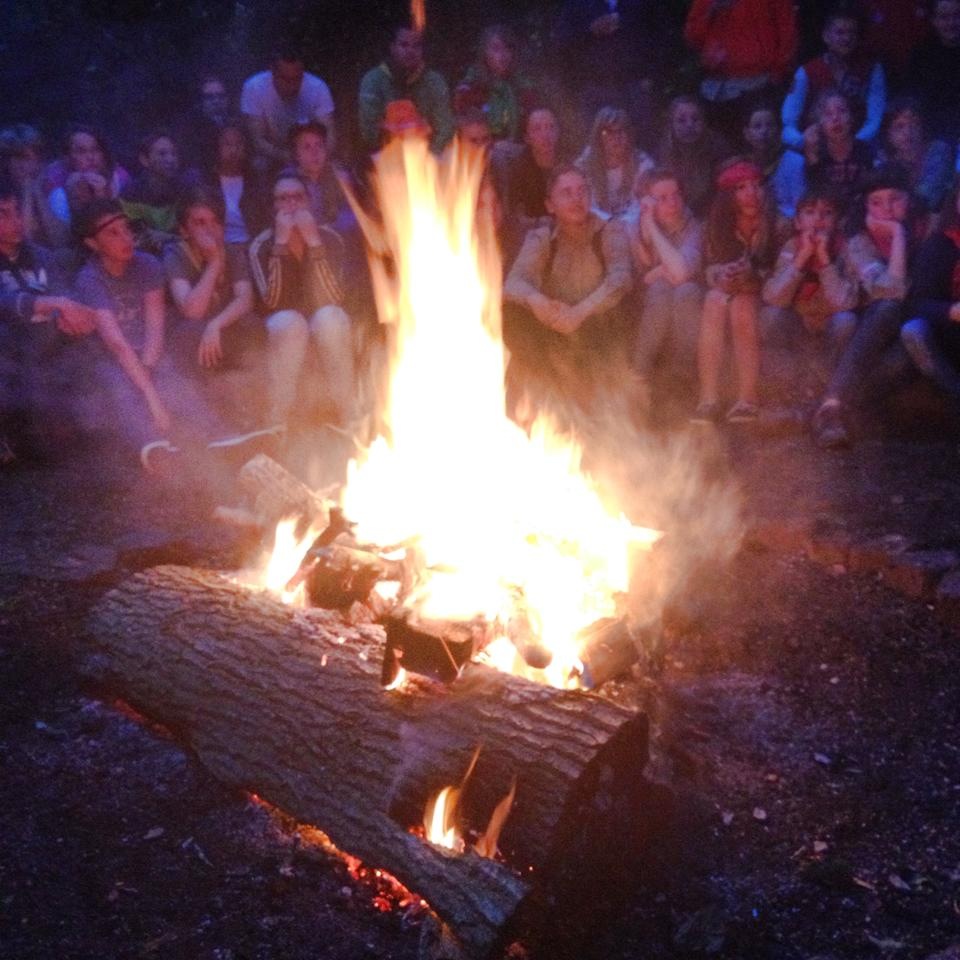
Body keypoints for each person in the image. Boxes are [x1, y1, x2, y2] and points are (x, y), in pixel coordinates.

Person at [503, 166, 635, 419]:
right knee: (510, 313)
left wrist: (579, 313)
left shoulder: (609, 230)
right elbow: (513, 284)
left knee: (617, 314)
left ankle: (589, 403)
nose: (577, 199)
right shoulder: (542, 237)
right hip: (556, 326)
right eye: (566, 193)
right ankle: (539, 399)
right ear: (550, 205)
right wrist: (538, 301)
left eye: (582, 191)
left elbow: (620, 280)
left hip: (597, 327)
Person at [811, 166, 916, 447]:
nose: (887, 209)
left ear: (909, 199)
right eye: (876, 202)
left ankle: (829, 405)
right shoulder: (858, 242)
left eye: (895, 199)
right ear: (866, 207)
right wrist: (897, 234)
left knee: (908, 353)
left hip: (911, 326)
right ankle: (833, 407)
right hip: (867, 331)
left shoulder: (926, 228)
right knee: (885, 309)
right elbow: (890, 292)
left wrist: (900, 233)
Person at [249, 172, 354, 430]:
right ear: (274, 206)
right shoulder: (261, 245)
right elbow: (272, 301)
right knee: (290, 322)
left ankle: (348, 416)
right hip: (281, 322)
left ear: (309, 201)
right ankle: (277, 423)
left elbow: (335, 297)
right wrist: (280, 244)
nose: (292, 204)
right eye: (283, 199)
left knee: (331, 317)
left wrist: (314, 243)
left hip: (321, 316)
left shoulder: (331, 239)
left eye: (298, 197)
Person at [0, 177, 94, 461]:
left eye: (17, 211)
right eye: (4, 214)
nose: (16, 221)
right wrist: (52, 304)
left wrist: (70, 315)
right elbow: (5, 304)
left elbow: (65, 294)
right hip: (9, 352)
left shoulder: (40, 255)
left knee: (86, 340)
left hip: (45, 347)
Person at [71, 199, 173, 451]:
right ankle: (153, 450)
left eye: (127, 229)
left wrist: (148, 368)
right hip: (108, 356)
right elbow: (116, 344)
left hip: (146, 351)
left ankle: (218, 438)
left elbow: (155, 327)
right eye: (113, 233)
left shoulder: (148, 264)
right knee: (122, 389)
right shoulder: (89, 279)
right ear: (93, 243)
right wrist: (151, 396)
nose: (126, 238)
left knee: (174, 381)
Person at [165, 187, 264, 433]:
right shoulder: (175, 254)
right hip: (193, 339)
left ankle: (253, 412)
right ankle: (212, 424)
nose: (209, 229)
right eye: (200, 223)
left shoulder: (233, 251)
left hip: (222, 329)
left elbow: (245, 299)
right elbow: (192, 311)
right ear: (184, 230)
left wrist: (216, 324)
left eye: (215, 222)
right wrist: (214, 264)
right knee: (189, 333)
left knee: (253, 325)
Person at [693, 158, 783, 423]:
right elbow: (708, 268)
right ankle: (708, 399)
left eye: (756, 185)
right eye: (742, 188)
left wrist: (752, 275)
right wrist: (720, 274)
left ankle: (748, 399)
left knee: (741, 305)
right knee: (714, 299)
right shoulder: (716, 225)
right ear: (729, 195)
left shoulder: (780, 224)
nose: (751, 194)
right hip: (729, 291)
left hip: (768, 295)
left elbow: (782, 270)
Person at [761, 187, 858, 403]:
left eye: (827, 213)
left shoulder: (847, 248)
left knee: (846, 321)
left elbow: (845, 303)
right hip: (799, 324)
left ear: (837, 222)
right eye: (810, 212)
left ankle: (826, 391)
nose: (818, 219)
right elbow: (774, 297)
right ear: (797, 222)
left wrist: (824, 261)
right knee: (769, 316)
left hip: (830, 326)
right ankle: (790, 386)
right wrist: (802, 257)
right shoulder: (792, 247)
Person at [627, 169, 704, 407]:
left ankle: (682, 376)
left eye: (676, 194)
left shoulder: (694, 226)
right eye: (662, 198)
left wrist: (652, 228)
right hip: (645, 304)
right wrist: (647, 224)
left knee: (686, 291)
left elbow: (681, 274)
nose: (673, 202)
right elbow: (638, 279)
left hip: (686, 302)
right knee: (660, 289)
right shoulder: (632, 226)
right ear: (647, 203)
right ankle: (639, 374)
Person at [684, 0, 798, 140]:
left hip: (758, 83)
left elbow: (787, 29)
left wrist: (778, 72)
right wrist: (711, 11)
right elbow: (692, 37)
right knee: (719, 144)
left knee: (757, 143)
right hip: (715, 87)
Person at [782, 3, 886, 151]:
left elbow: (875, 120)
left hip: (860, 146)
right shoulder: (806, 72)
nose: (847, 38)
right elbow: (788, 124)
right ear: (826, 36)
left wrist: (853, 145)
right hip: (816, 148)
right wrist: (803, 142)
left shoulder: (872, 69)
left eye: (851, 33)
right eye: (840, 32)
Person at [899, 182, 960, 412]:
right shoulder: (939, 244)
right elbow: (916, 304)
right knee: (914, 330)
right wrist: (951, 311)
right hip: (950, 334)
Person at [358, 22, 454, 155]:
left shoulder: (434, 81)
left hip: (427, 154)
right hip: (385, 155)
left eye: (416, 46)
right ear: (392, 47)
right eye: (404, 45)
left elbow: (445, 128)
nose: (410, 51)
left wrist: (429, 156)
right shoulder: (373, 80)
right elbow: (369, 130)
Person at [241, 47, 336, 172]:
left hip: (309, 154)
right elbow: (257, 140)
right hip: (270, 154)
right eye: (285, 79)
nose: (292, 86)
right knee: (258, 164)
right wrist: (290, 158)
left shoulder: (318, 88)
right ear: (272, 72)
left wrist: (315, 157)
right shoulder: (254, 87)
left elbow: (329, 136)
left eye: (297, 79)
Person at [453, 25, 535, 144]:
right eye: (496, 49)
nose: (503, 55)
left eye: (508, 48)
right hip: (481, 151)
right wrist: (492, 148)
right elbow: (462, 130)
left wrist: (521, 146)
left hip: (520, 149)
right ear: (484, 53)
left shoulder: (525, 87)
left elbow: (535, 126)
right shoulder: (469, 89)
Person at [875, 97, 954, 215]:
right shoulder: (884, 159)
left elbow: (928, 197)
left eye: (915, 124)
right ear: (888, 133)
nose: (908, 132)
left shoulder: (938, 151)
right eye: (899, 126)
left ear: (923, 126)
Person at [120, 130, 198, 247]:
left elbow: (194, 232)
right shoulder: (131, 193)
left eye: (174, 154)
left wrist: (168, 238)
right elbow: (135, 235)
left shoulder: (187, 189)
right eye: (162, 154)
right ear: (144, 160)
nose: (170, 160)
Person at [656, 96, 730, 218]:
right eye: (681, 120)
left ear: (704, 122)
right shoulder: (664, 150)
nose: (690, 125)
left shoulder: (718, 148)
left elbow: (725, 195)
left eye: (696, 119)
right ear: (671, 124)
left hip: (713, 215)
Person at [574, 107, 654, 219]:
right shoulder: (583, 166)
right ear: (598, 137)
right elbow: (582, 203)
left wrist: (622, 224)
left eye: (621, 131)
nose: (616, 137)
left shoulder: (643, 164)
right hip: (595, 224)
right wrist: (609, 223)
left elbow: (646, 203)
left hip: (633, 225)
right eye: (608, 132)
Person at [802, 89, 874, 210]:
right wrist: (810, 152)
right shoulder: (814, 153)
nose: (836, 118)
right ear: (819, 123)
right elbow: (815, 193)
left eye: (842, 111)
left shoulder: (866, 151)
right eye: (828, 114)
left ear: (851, 117)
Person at [204, 118, 269, 246]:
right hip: (215, 246)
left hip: (252, 246)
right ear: (217, 147)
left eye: (239, 144)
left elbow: (264, 223)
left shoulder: (256, 181)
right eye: (227, 144)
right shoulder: (207, 182)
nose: (233, 149)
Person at [904, 0, 960, 146]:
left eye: (957, 15)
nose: (951, 23)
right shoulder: (921, 55)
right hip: (932, 136)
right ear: (934, 20)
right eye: (944, 17)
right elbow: (913, 100)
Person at [503, 107, 564, 230]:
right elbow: (514, 217)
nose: (546, 135)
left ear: (558, 132)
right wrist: (539, 222)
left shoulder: (569, 164)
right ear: (527, 137)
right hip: (533, 234)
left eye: (551, 127)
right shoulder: (517, 170)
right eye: (537, 129)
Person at [740, 103, 805, 217]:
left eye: (770, 125)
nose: (764, 131)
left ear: (779, 130)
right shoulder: (742, 166)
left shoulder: (795, 162)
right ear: (747, 133)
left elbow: (802, 207)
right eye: (757, 126)